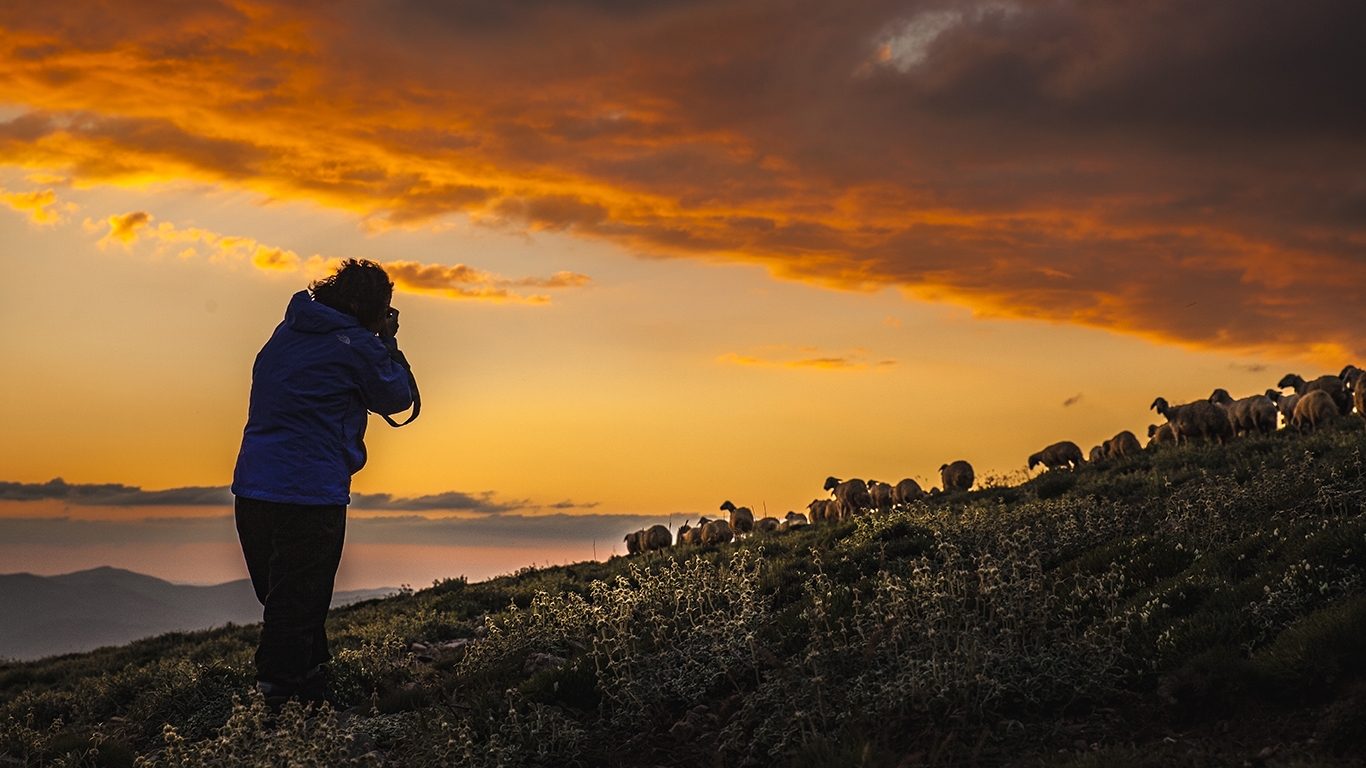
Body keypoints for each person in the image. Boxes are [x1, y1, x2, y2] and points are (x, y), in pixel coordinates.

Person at [231, 258, 416, 711]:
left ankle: (313, 679)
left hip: (253, 488)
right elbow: (397, 396)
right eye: (384, 308)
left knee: (284, 595)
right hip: (309, 491)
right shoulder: (355, 345)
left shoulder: (284, 333)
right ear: (361, 306)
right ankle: (279, 700)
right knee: (299, 597)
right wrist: (389, 343)